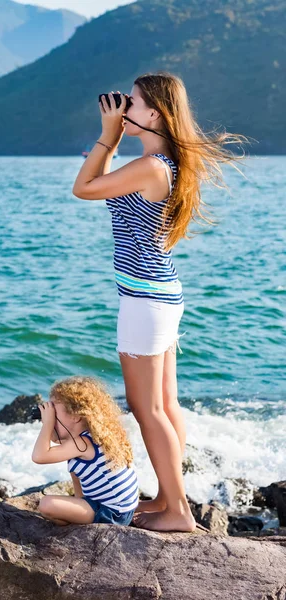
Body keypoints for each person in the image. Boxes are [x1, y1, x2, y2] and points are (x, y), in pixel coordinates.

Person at [72, 72, 248, 532]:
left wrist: (107, 135)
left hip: (145, 301)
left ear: (155, 114)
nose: (123, 108)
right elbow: (99, 185)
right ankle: (171, 498)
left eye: (131, 102)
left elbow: (85, 187)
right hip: (161, 296)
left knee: (147, 406)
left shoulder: (152, 166)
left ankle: (177, 513)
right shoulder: (159, 162)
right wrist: (113, 137)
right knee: (165, 405)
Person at [31, 375, 139, 526]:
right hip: (122, 510)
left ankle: (75, 524)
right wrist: (49, 421)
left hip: (111, 514)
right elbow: (55, 440)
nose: (52, 416)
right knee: (75, 467)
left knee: (46, 504)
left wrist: (48, 423)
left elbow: (39, 456)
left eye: (55, 412)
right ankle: (79, 506)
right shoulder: (93, 437)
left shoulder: (82, 443)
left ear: (75, 416)